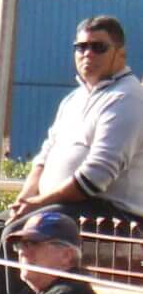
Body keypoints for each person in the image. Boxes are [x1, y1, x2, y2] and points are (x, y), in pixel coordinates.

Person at [7, 15, 143, 229]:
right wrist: (24, 199)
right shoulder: (73, 100)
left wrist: (40, 202)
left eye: (98, 47)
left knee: (21, 232)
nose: (88, 53)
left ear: (121, 55)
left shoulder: (128, 97)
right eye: (81, 47)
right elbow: (44, 157)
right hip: (59, 205)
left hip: (109, 214)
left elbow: (97, 174)